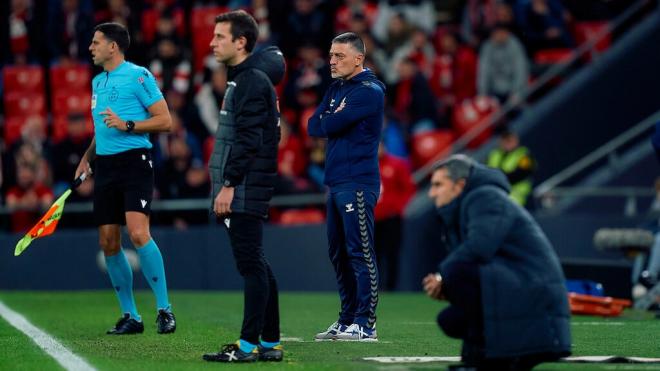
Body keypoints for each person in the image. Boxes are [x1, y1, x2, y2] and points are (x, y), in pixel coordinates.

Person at [422, 154, 571, 370]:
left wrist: (442, 277)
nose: (431, 193)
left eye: (438, 185)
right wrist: (448, 282)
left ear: (459, 185)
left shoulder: (484, 197)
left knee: (458, 271)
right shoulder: (469, 203)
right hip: (522, 289)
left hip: (535, 296)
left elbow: (480, 247)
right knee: (450, 319)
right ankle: (481, 358)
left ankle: (487, 358)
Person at [75, 22, 176, 335]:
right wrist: (86, 159)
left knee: (137, 233)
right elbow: (102, 129)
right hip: (105, 166)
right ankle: (131, 315)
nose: (91, 47)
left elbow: (165, 120)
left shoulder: (138, 75)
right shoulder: (97, 83)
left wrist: (128, 125)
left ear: (113, 46)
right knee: (108, 242)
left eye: (96, 42)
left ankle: (164, 310)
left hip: (135, 162)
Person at [202, 10, 285, 363]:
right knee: (259, 265)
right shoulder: (246, 79)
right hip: (248, 185)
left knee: (251, 265)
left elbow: (249, 140)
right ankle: (269, 342)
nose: (212, 42)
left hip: (245, 187)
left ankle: (248, 345)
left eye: (220, 36)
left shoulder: (250, 81)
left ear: (241, 42)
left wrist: (229, 184)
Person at [308, 32, 385, 341]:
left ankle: (366, 323)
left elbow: (330, 125)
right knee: (338, 252)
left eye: (339, 56)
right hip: (337, 181)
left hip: (357, 180)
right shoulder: (338, 88)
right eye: (331, 55)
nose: (332, 61)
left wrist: (332, 118)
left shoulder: (369, 91)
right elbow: (315, 125)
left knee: (360, 252)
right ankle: (347, 319)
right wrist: (331, 117)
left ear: (358, 58)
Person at [486, 130, 535, 206]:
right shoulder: (494, 154)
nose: (507, 143)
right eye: (505, 140)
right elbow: (487, 173)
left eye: (509, 140)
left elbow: (522, 173)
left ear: (515, 140)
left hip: (519, 196)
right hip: (498, 196)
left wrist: (499, 178)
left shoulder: (523, 154)